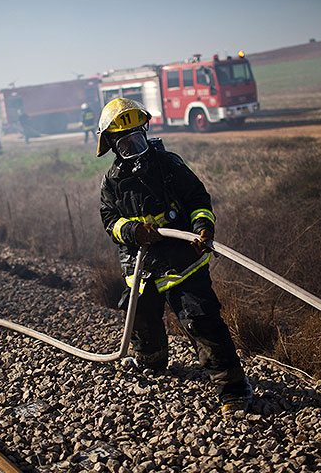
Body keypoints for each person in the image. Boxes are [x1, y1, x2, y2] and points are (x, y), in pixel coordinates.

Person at [97, 98, 253, 412]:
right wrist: (134, 232)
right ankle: (151, 363)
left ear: (145, 133)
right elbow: (109, 221)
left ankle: (233, 390)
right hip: (141, 269)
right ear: (113, 147)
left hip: (183, 262)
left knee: (200, 320)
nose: (134, 149)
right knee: (139, 317)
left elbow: (197, 198)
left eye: (138, 140)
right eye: (126, 145)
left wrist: (202, 228)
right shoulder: (112, 182)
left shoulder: (169, 165)